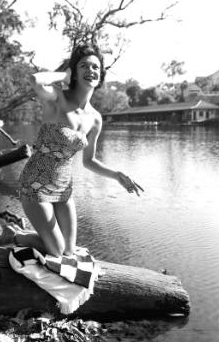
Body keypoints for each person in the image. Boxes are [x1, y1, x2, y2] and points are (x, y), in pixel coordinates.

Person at [12, 43, 144, 258]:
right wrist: (63, 76)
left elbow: (89, 161)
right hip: (35, 185)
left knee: (69, 251)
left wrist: (118, 175)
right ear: (73, 72)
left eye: (95, 67)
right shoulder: (57, 98)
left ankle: (40, 238)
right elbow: (35, 80)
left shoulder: (95, 119)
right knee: (56, 250)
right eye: (84, 66)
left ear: (100, 76)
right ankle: (16, 236)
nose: (90, 70)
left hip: (64, 189)